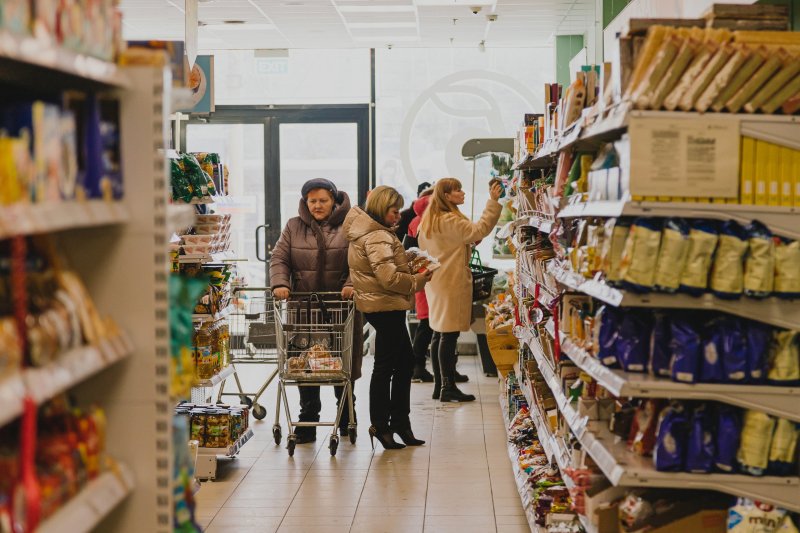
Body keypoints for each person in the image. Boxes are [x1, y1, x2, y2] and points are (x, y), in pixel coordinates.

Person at [269, 178, 362, 444]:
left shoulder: (350, 225)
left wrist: (350, 284)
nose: (317, 206)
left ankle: (346, 416)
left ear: (334, 199)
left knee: (340, 363)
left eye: (323, 200)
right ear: (305, 202)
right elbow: (280, 258)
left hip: (339, 307)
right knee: (303, 365)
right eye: (312, 201)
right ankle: (307, 423)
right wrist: (280, 283)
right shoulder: (293, 226)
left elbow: (359, 261)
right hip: (303, 308)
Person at [344, 185, 432, 450]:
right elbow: (388, 277)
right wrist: (418, 279)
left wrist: (406, 261)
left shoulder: (372, 232)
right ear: (383, 209)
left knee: (403, 363)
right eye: (394, 211)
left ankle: (398, 424)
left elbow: (382, 268)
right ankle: (383, 426)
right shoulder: (377, 236)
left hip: (383, 306)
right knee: (387, 367)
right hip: (385, 306)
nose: (398, 216)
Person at [418, 178, 502, 403]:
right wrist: (492, 202)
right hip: (451, 281)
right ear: (446, 195)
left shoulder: (430, 220)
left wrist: (465, 244)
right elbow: (479, 229)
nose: (462, 192)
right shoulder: (450, 220)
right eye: (457, 189)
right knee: (449, 335)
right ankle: (448, 387)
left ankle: (440, 385)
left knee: (438, 332)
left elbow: (456, 242)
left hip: (436, 281)